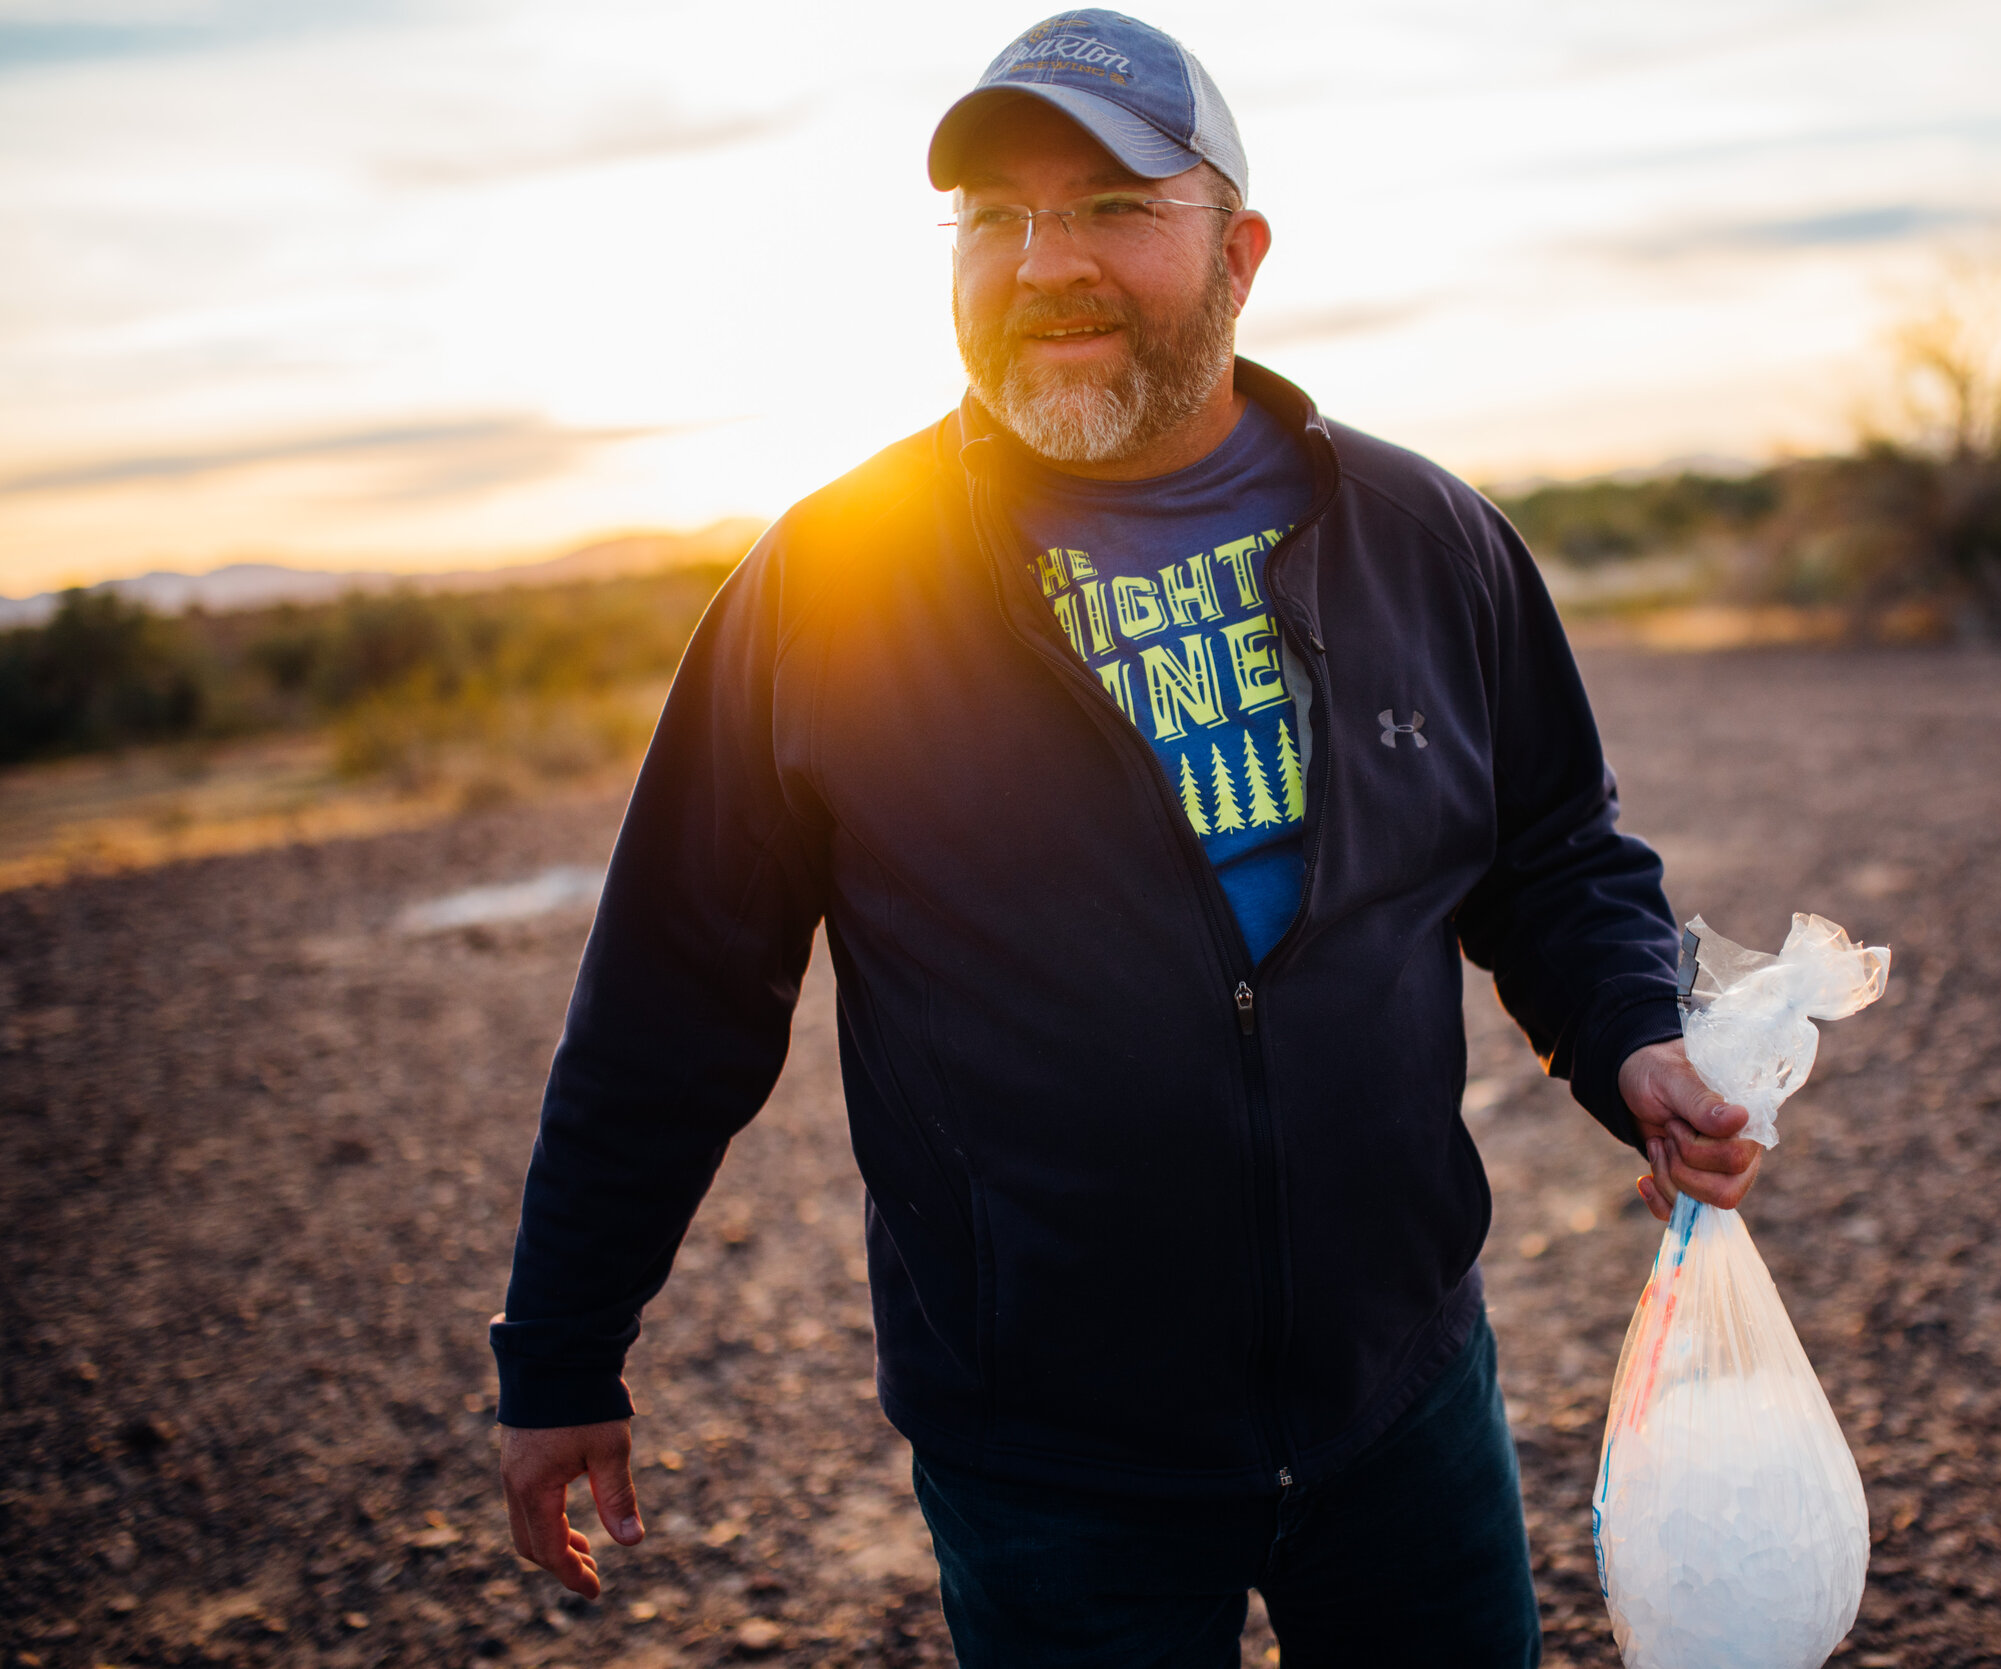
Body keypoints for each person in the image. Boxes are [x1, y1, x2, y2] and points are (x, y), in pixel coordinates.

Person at [491, 11, 1761, 1665]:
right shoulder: (829, 586)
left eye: (1109, 206)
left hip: (1401, 1394)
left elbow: (1553, 854)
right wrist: (565, 1348)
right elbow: (671, 998)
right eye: (994, 218)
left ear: (1239, 253)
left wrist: (1630, 1033)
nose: (1044, 261)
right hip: (1049, 1454)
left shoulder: (1426, 537)